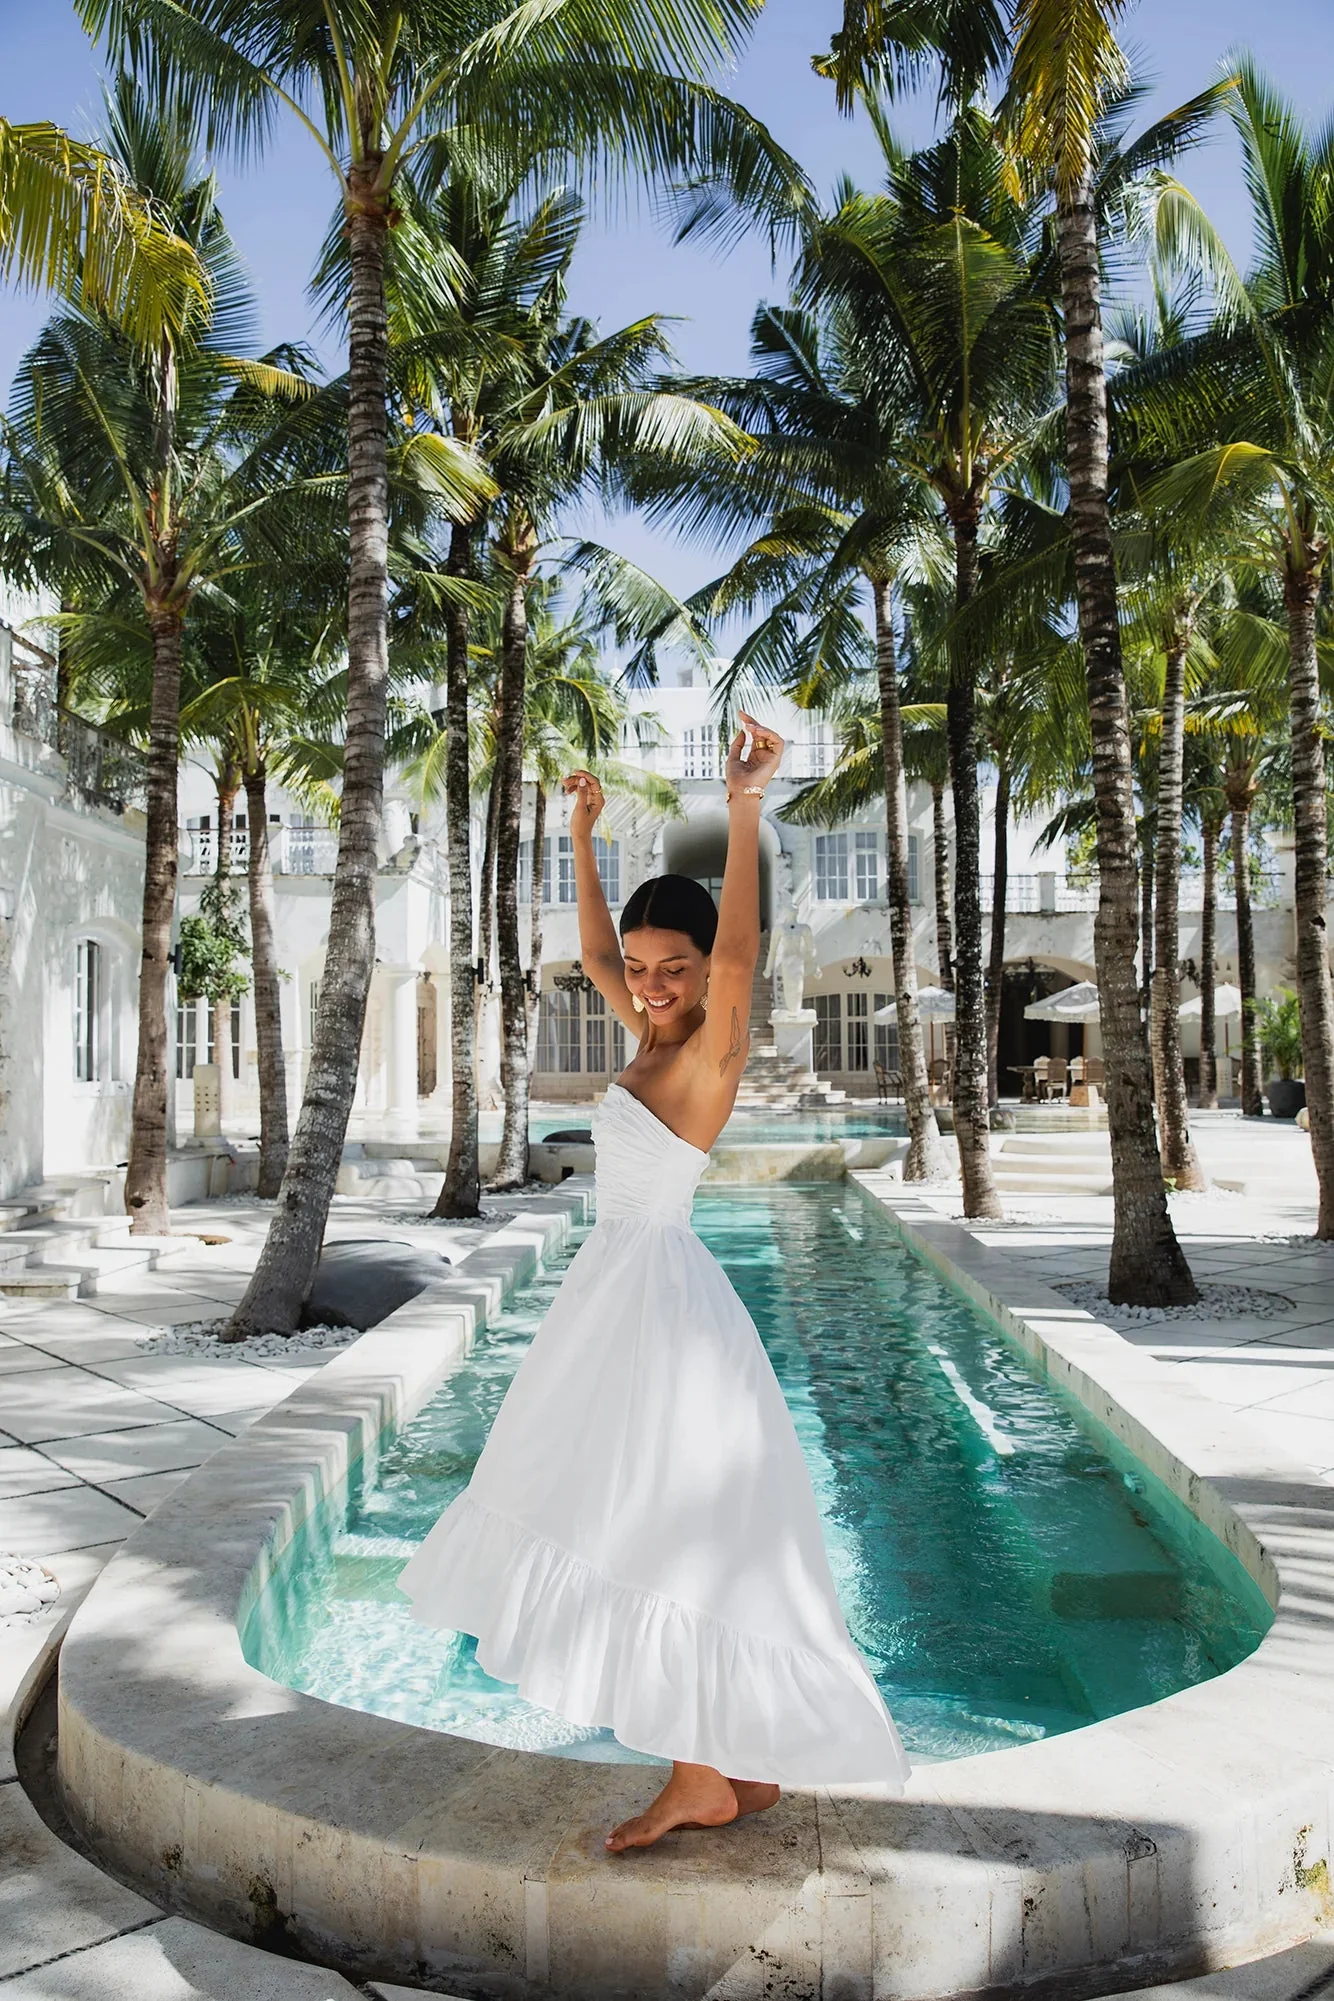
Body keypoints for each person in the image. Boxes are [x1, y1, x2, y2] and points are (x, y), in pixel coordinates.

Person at [398, 714, 908, 1851]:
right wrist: (577, 836)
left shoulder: (708, 1048)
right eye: (645, 970)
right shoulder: (644, 1031)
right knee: (628, 1507)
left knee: (656, 1524)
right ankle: (741, 1764)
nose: (655, 983)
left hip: (656, 1305)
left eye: (673, 968)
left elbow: (732, 958)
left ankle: (695, 1774)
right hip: (620, 1292)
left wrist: (742, 808)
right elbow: (590, 954)